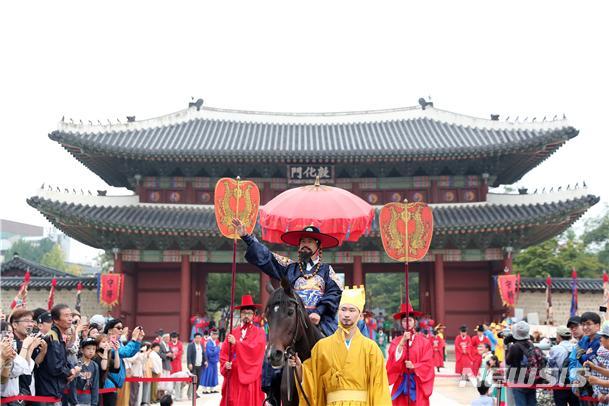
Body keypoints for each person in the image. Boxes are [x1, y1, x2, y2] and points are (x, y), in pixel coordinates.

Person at [233, 220, 343, 337]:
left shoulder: (327, 270)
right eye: (302, 242)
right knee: (276, 345)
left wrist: (319, 312)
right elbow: (268, 256)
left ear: (318, 246)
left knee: (334, 344)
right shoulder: (290, 267)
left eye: (309, 242)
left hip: (319, 319)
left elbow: (334, 293)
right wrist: (247, 238)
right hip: (293, 318)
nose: (305, 244)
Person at [290, 285, 391, 405]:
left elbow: (379, 388)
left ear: (360, 315)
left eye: (352, 310)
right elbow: (312, 380)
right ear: (338, 312)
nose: (346, 314)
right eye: (343, 309)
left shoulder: (371, 349)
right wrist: (299, 368)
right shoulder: (321, 347)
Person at [219, 295, 266, 406]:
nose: (246, 316)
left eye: (249, 313)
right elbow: (224, 353)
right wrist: (226, 364)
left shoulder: (260, 332)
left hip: (251, 375)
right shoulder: (232, 333)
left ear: (254, 315)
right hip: (234, 375)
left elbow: (256, 350)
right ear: (240, 315)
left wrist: (237, 343)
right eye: (244, 313)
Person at [386, 302, 435, 406]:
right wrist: (402, 342)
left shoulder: (424, 342)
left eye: (410, 320)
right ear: (401, 323)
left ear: (415, 322)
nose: (407, 323)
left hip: (417, 384)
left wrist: (414, 366)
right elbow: (392, 361)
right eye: (404, 320)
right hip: (401, 383)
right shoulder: (396, 341)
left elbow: (429, 364)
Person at [35, 304, 81, 406]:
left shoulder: (58, 337)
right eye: (66, 316)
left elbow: (63, 361)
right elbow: (55, 367)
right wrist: (70, 372)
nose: (70, 319)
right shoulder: (52, 338)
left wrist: (72, 369)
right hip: (47, 392)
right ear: (55, 320)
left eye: (70, 315)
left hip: (54, 391)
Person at [101, 319, 144, 406]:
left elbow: (130, 353)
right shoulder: (106, 342)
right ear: (109, 330)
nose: (121, 330)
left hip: (115, 384)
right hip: (108, 383)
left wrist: (138, 340)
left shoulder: (118, 341)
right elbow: (124, 352)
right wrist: (133, 339)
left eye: (122, 328)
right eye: (118, 328)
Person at [505, 320, 539, 406]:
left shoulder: (514, 347)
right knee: (532, 403)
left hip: (517, 379)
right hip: (531, 378)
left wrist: (507, 346)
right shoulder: (531, 344)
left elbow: (508, 361)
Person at [569, 312, 601, 399]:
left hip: (598, 384)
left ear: (597, 326)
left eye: (588, 324)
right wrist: (585, 355)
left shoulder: (600, 341)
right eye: (583, 324)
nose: (585, 327)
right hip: (584, 382)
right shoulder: (585, 339)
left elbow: (591, 362)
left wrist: (585, 356)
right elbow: (577, 356)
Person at [548, 325, 579, 406]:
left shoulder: (555, 349)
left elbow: (550, 366)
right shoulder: (575, 347)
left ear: (558, 336)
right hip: (574, 384)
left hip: (559, 385)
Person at [69, 337, 100, 406]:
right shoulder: (76, 364)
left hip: (88, 400)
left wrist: (94, 403)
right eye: (88, 348)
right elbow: (73, 385)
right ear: (82, 350)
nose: (91, 351)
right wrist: (74, 402)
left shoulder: (95, 366)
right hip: (76, 400)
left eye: (93, 349)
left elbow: (95, 385)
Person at [585, 323, 609, 404]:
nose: (600, 339)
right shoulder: (599, 356)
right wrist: (598, 394)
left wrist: (597, 381)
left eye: (602, 337)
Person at [186, 333, 206, 400]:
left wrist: (205, 361)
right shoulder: (191, 345)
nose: (198, 339)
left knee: (198, 380)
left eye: (199, 338)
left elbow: (203, 354)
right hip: (193, 365)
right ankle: (191, 393)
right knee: (193, 380)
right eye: (197, 338)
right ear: (194, 338)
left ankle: (195, 392)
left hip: (199, 365)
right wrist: (189, 363)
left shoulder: (201, 345)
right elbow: (188, 355)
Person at [200, 329, 220, 393]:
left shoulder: (215, 342)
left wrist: (216, 349)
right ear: (211, 335)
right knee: (207, 374)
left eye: (216, 334)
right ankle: (204, 389)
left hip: (214, 361)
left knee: (213, 375)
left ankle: (212, 389)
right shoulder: (209, 342)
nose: (216, 336)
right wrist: (217, 349)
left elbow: (216, 351)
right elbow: (210, 353)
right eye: (214, 334)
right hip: (209, 361)